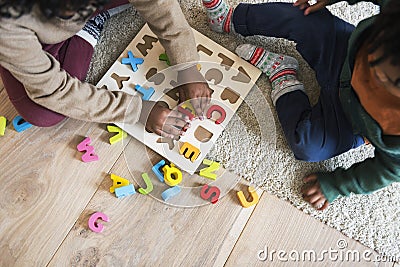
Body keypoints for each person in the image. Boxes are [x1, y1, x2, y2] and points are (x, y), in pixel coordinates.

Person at [202, 0, 400, 209]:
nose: (369, 80)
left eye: (382, 82)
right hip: (342, 54)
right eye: (371, 62)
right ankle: (231, 19)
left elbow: (388, 170)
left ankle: (282, 74)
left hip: (351, 121)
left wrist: (337, 185)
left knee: (308, 145)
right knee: (302, 17)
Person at [0, 0, 211, 139]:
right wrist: (136, 110)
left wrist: (186, 64)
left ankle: (91, 18)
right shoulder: (7, 25)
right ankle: (90, 24)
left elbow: (158, 4)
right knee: (41, 112)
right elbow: (53, 90)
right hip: (28, 38)